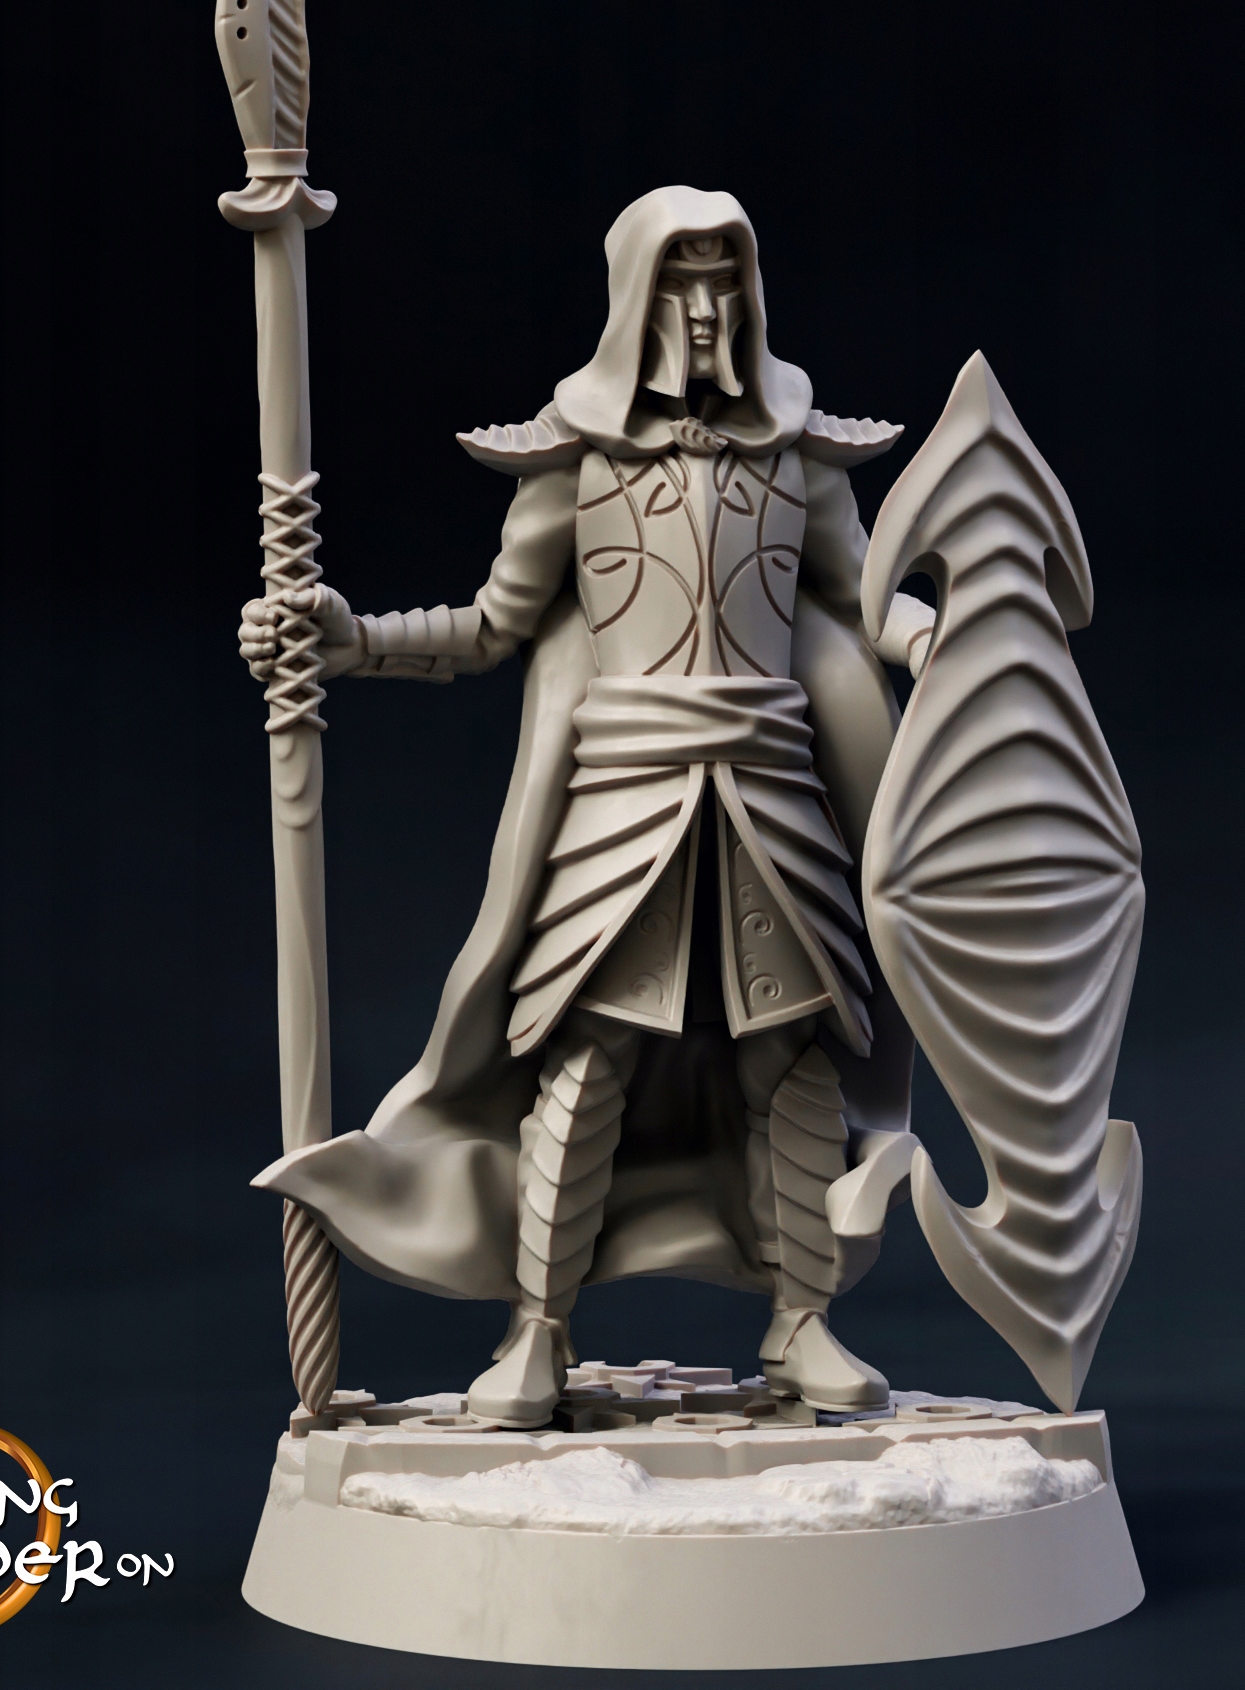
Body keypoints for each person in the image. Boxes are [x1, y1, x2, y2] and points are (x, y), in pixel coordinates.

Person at [240, 187, 934, 1427]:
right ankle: (538, 1332)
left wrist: (949, 638)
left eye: (724, 279)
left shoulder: (800, 458)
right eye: (682, 281)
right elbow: (491, 625)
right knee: (588, 1057)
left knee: (790, 1060)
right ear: (637, 298)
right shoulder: (578, 460)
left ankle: (804, 1319)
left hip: (773, 808)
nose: (706, 309)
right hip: (625, 810)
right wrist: (352, 640)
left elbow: (864, 604)